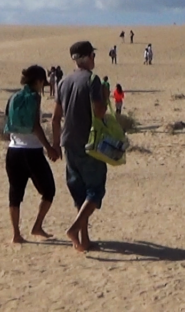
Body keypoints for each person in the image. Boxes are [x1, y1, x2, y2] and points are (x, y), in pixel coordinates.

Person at [50, 41, 108, 253]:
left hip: (68, 142)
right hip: (89, 143)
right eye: (93, 55)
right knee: (95, 190)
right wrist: (105, 95)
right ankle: (75, 229)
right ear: (89, 57)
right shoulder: (92, 80)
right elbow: (99, 112)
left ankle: (84, 240)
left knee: (79, 191)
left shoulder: (63, 81)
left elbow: (55, 118)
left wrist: (55, 145)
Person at [6, 65, 57, 244]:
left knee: (15, 194)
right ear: (38, 81)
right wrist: (49, 147)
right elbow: (36, 126)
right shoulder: (34, 97)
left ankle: (16, 234)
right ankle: (37, 225)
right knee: (49, 190)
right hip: (32, 152)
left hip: (13, 150)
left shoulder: (13, 97)